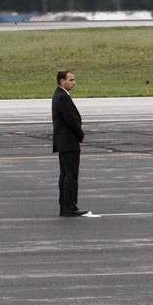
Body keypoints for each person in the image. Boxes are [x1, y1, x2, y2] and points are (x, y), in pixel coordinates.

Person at [52, 70, 89, 217]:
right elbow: (71, 121)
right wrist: (80, 134)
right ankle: (69, 207)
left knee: (66, 175)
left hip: (64, 142)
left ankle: (65, 206)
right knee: (70, 176)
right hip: (68, 142)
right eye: (71, 80)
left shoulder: (60, 96)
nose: (74, 83)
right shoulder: (62, 98)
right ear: (62, 81)